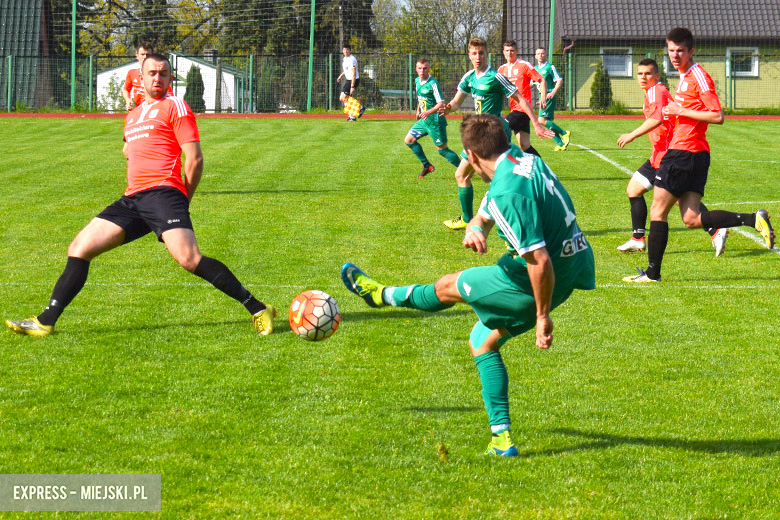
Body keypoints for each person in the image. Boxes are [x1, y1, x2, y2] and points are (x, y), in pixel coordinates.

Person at [341, 114, 595, 456]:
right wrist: (476, 225)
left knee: (450, 285)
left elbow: (539, 260)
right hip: (574, 262)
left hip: (539, 277)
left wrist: (542, 315)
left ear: (471, 157)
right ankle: (502, 440)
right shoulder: (523, 160)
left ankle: (380, 294)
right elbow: (491, 209)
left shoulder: (508, 192)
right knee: (481, 341)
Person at [5, 54, 276, 337]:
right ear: (141, 77)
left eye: (163, 73)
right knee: (79, 247)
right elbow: (129, 149)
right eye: (152, 73)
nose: (157, 78)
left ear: (170, 78)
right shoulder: (132, 116)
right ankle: (45, 321)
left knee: (188, 258)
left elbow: (194, 159)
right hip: (132, 199)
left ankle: (257, 307)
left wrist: (183, 198)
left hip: (163, 193)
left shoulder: (176, 107)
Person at [623, 28, 774, 283]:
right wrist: (679, 112)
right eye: (671, 50)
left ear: (691, 51)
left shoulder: (698, 76)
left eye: (680, 50)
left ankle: (652, 274)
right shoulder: (683, 77)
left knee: (658, 211)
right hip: (693, 154)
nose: (675, 54)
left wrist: (680, 109)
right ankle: (753, 219)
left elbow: (717, 116)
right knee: (692, 218)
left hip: (684, 151)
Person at [616, 58, 728, 255]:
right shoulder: (653, 92)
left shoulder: (656, 91)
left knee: (677, 200)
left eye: (648, 73)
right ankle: (638, 238)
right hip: (659, 154)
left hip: (669, 154)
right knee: (635, 190)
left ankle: (716, 229)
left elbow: (657, 119)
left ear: (657, 76)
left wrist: (631, 135)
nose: (643, 77)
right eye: (640, 73)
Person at [439, 37, 553, 230]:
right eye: (474, 53)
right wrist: (448, 108)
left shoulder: (495, 76)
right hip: (477, 134)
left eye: (481, 53)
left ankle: (531, 219)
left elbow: (521, 98)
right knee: (462, 175)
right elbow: (457, 102)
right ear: (469, 55)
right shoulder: (469, 77)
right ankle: (468, 219)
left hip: (495, 135)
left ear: (486, 55)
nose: (477, 57)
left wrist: (537, 124)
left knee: (502, 183)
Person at [404, 58, 461, 178]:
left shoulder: (433, 83)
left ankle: (464, 169)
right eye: (419, 68)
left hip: (435, 121)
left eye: (425, 68)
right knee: (409, 140)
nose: (422, 71)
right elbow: (421, 97)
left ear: (428, 69)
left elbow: (441, 103)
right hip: (424, 120)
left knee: (442, 150)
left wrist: (428, 112)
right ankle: (427, 166)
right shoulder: (417, 81)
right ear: (416, 69)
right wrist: (419, 109)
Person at [497, 40, 546, 157]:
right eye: (507, 51)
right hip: (514, 110)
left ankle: (506, 165)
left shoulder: (524, 65)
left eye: (512, 51)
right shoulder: (501, 70)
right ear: (503, 52)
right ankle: (541, 167)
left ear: (517, 52)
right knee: (524, 145)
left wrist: (543, 97)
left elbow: (541, 80)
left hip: (522, 110)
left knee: (500, 131)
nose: (510, 53)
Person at [533, 46, 570, 151]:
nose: (540, 55)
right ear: (535, 56)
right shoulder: (535, 69)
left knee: (541, 120)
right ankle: (560, 144)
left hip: (548, 95)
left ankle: (564, 133)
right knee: (547, 121)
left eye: (542, 53)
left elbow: (559, 80)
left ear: (546, 55)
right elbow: (532, 82)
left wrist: (553, 92)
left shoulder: (550, 67)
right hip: (542, 95)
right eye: (538, 53)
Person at [122, 42, 172, 112]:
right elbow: (126, 89)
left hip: (155, 110)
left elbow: (169, 94)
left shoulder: (158, 76)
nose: (145, 57)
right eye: (142, 54)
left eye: (148, 55)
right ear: (137, 56)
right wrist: (127, 100)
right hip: (138, 109)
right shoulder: (132, 73)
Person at [336, 45, 365, 122]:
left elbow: (354, 74)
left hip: (353, 80)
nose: (346, 51)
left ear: (350, 51)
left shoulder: (352, 59)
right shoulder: (345, 59)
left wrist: (352, 86)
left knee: (344, 98)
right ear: (342, 51)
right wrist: (341, 76)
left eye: (347, 50)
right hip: (349, 80)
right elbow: (346, 70)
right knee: (342, 98)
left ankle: (352, 116)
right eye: (344, 50)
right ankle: (359, 108)